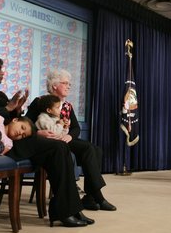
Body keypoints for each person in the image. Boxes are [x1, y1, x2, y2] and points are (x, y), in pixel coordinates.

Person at [0, 54, 94, 227]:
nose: (3, 73)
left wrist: (17, 109)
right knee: (58, 148)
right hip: (0, 139)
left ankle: (71, 208)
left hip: (18, 138)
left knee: (60, 148)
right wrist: (7, 108)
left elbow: (12, 118)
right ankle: (65, 210)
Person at [26, 69, 117, 211]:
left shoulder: (67, 106)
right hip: (49, 141)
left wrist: (69, 136)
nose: (69, 86)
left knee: (96, 149)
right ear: (54, 85)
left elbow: (75, 128)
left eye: (69, 84)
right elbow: (27, 123)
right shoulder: (41, 102)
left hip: (64, 138)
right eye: (65, 83)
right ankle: (96, 196)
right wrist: (39, 132)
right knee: (88, 148)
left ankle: (91, 197)